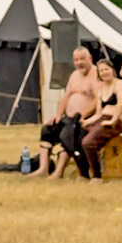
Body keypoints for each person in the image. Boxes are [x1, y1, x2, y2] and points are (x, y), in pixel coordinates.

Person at [46, 45, 102, 179]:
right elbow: (65, 97)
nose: (79, 63)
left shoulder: (96, 75)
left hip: (84, 119)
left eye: (82, 59)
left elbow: (97, 100)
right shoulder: (74, 75)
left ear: (90, 58)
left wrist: (83, 115)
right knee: (47, 130)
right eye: (76, 60)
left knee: (68, 136)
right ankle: (43, 167)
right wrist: (58, 115)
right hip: (69, 117)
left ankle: (62, 172)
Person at [80, 57, 122, 180]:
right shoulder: (101, 91)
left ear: (112, 70)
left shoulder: (120, 84)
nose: (104, 72)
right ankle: (83, 173)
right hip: (102, 119)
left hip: (115, 121)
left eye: (106, 69)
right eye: (101, 71)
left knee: (88, 143)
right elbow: (98, 114)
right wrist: (86, 121)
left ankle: (97, 175)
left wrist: (113, 120)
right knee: (78, 135)